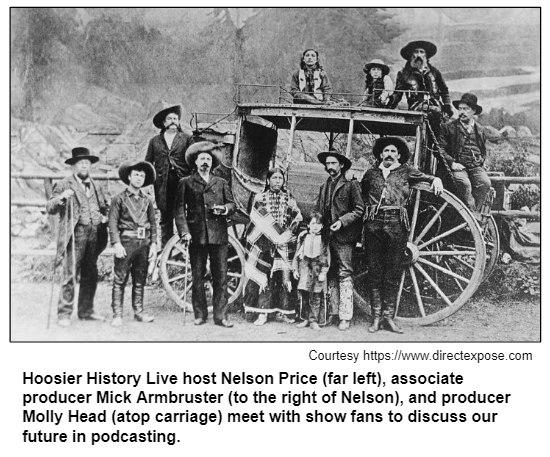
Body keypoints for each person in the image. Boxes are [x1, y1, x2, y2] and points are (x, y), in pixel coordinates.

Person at [361, 137, 443, 333]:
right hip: (373, 224)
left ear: (398, 155)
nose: (389, 154)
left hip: (397, 223)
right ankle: (376, 318)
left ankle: (389, 318)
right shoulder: (371, 173)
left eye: (393, 151)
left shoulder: (406, 171)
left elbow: (426, 178)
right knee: (374, 271)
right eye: (385, 151)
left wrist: (436, 179)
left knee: (392, 271)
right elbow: (362, 194)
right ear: (380, 155)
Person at [175, 141, 236, 328]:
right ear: (195, 162)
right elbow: (179, 211)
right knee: (198, 276)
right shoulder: (185, 182)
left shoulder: (222, 182)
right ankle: (200, 314)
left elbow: (232, 205)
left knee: (221, 277)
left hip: (218, 236)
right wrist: (184, 232)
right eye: (202, 159)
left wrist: (224, 210)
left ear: (212, 163)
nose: (205, 162)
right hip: (196, 236)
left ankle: (221, 317)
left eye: (208, 159)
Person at [46, 147, 109, 327]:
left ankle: (86, 311)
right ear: (73, 166)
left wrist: (104, 217)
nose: (84, 165)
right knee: (70, 274)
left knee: (90, 274)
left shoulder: (97, 186)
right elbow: (50, 208)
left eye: (87, 163)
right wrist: (61, 198)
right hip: (75, 235)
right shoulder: (65, 184)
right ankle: (64, 313)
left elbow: (105, 207)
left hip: (95, 235)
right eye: (80, 163)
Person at [243, 168, 303, 326]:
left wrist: (287, 234)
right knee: (264, 279)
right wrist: (273, 236)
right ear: (268, 180)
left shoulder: (288, 198)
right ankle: (262, 312)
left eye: (280, 178)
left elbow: (297, 216)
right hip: (264, 244)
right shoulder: (260, 197)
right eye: (274, 178)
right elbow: (256, 218)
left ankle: (282, 312)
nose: (277, 181)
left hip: (283, 245)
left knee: (282, 278)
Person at [315, 150, 365, 331]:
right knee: (329, 273)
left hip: (344, 237)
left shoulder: (351, 185)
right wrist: (316, 222)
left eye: (333, 163)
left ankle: (345, 317)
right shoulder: (324, 186)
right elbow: (318, 210)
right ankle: (332, 313)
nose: (330, 167)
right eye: (328, 164)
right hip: (327, 237)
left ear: (341, 165)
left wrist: (342, 222)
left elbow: (359, 209)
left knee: (344, 274)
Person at [108, 160, 158, 327]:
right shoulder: (119, 199)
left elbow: (153, 224)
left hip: (143, 243)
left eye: (142, 176)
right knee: (120, 278)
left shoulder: (148, 200)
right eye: (136, 174)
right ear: (129, 176)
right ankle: (117, 314)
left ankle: (139, 312)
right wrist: (116, 244)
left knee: (140, 279)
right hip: (126, 242)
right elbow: (113, 223)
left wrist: (153, 244)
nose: (139, 178)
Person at [145, 104, 192, 248]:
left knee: (183, 215)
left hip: (182, 183)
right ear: (164, 123)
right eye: (169, 118)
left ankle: (184, 249)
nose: (173, 121)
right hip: (162, 186)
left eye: (175, 118)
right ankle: (167, 251)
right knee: (165, 219)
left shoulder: (186, 139)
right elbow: (148, 162)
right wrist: (148, 183)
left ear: (178, 122)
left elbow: (192, 159)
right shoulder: (154, 141)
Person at [438, 93, 491, 215]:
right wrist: (451, 163)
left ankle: (474, 213)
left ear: (473, 111)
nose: (461, 112)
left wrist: (482, 162)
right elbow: (439, 149)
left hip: (475, 167)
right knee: (464, 183)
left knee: (485, 183)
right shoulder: (448, 127)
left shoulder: (480, 130)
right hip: (458, 167)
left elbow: (483, 150)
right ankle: (472, 216)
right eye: (460, 109)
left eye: (466, 109)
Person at [388, 40, 452, 140]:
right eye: (416, 52)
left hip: (436, 108)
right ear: (411, 55)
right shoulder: (404, 74)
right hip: (416, 109)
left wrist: (447, 106)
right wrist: (389, 102)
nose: (418, 55)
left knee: (441, 136)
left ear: (426, 55)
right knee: (421, 138)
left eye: (421, 52)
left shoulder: (434, 72)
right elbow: (398, 94)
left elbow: (444, 90)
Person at [293, 211, 331, 331]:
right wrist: (295, 269)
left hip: (317, 271)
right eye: (313, 223)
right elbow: (296, 254)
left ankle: (313, 320)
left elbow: (326, 258)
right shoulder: (303, 237)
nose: (315, 226)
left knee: (316, 296)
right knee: (304, 296)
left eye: (318, 224)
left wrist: (323, 272)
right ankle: (305, 318)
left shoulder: (324, 240)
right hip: (304, 270)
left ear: (322, 226)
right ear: (308, 225)